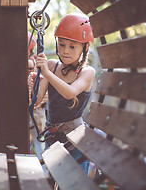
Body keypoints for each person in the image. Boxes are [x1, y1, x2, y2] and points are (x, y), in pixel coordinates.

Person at [35, 13, 95, 173]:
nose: (65, 51)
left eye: (72, 46)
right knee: (53, 179)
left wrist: (46, 74)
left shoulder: (87, 72)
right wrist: (32, 84)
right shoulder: (52, 66)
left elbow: (70, 93)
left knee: (75, 183)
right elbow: (37, 100)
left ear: (85, 47)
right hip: (52, 138)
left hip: (75, 141)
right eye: (61, 45)